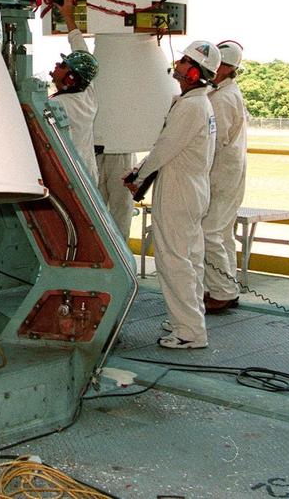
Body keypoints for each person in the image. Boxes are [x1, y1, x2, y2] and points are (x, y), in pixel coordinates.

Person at [125, 40, 220, 350]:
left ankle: (189, 331)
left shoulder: (191, 106)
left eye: (183, 63)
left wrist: (137, 176)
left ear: (194, 72)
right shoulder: (199, 103)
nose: (177, 66)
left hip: (179, 188)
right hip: (192, 187)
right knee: (190, 257)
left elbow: (165, 148)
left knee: (173, 260)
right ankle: (188, 317)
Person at [203, 40, 248, 312]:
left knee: (210, 233)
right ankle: (227, 287)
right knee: (223, 233)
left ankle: (221, 291)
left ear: (226, 68)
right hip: (229, 172)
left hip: (221, 174)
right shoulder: (223, 92)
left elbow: (211, 142)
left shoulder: (222, 98)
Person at [48, 0, 99, 180]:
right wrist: (68, 15)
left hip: (73, 177)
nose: (56, 65)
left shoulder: (60, 105)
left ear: (70, 78)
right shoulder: (87, 92)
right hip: (88, 173)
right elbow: (81, 51)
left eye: (62, 66)